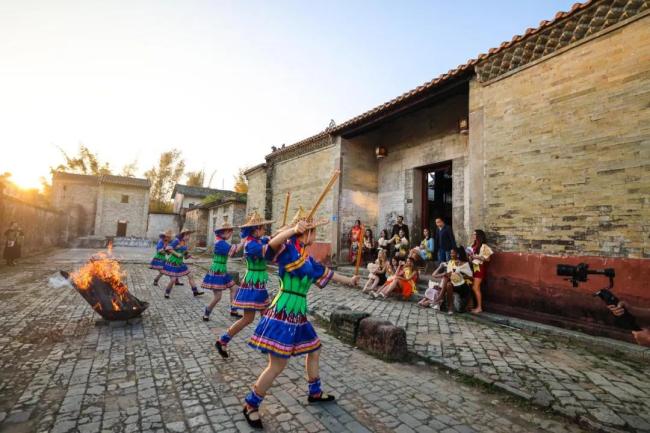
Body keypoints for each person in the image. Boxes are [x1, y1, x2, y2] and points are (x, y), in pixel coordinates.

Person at [242, 211, 359, 429]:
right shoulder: (287, 250)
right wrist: (292, 231)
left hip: (298, 314)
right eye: (313, 231)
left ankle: (315, 392)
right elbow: (272, 245)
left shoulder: (306, 259)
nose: (315, 234)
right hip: (283, 312)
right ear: (307, 233)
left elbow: (327, 274)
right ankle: (251, 404)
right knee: (277, 364)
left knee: (314, 349)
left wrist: (350, 280)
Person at [215, 211, 274, 358]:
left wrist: (280, 234)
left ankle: (263, 343)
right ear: (255, 230)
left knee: (264, 314)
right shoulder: (252, 244)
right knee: (250, 318)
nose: (264, 230)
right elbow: (270, 246)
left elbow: (269, 240)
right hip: (253, 284)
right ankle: (224, 340)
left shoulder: (257, 240)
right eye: (262, 227)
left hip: (258, 283)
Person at [201, 221, 243, 321]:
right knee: (218, 296)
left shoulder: (220, 242)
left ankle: (234, 310)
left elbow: (231, 253)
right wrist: (245, 240)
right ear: (223, 233)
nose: (230, 235)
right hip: (217, 271)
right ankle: (207, 311)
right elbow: (235, 250)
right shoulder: (220, 243)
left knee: (234, 288)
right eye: (229, 233)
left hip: (222, 270)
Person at [162, 230, 204, 298]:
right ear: (183, 235)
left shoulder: (185, 243)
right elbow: (168, 248)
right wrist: (177, 254)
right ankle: (167, 293)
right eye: (187, 235)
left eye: (189, 235)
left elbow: (185, 256)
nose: (188, 237)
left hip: (180, 263)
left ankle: (195, 291)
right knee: (173, 279)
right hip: (173, 263)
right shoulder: (176, 241)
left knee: (190, 275)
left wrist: (193, 257)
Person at [436, 247, 473, 315]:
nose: (450, 254)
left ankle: (441, 296)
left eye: (452, 253)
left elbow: (471, 276)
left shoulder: (464, 264)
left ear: (458, 254)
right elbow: (448, 274)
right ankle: (450, 308)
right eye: (450, 253)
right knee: (448, 284)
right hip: (453, 283)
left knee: (447, 279)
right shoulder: (450, 262)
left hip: (462, 285)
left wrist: (462, 276)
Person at [468, 229, 493, 314]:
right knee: (474, 287)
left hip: (480, 268)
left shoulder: (484, 246)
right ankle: (475, 306)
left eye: (475, 234)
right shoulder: (473, 245)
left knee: (475, 287)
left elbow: (488, 259)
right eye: (473, 234)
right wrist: (471, 257)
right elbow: (472, 258)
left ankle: (479, 307)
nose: (473, 236)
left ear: (479, 236)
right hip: (473, 267)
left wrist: (476, 257)